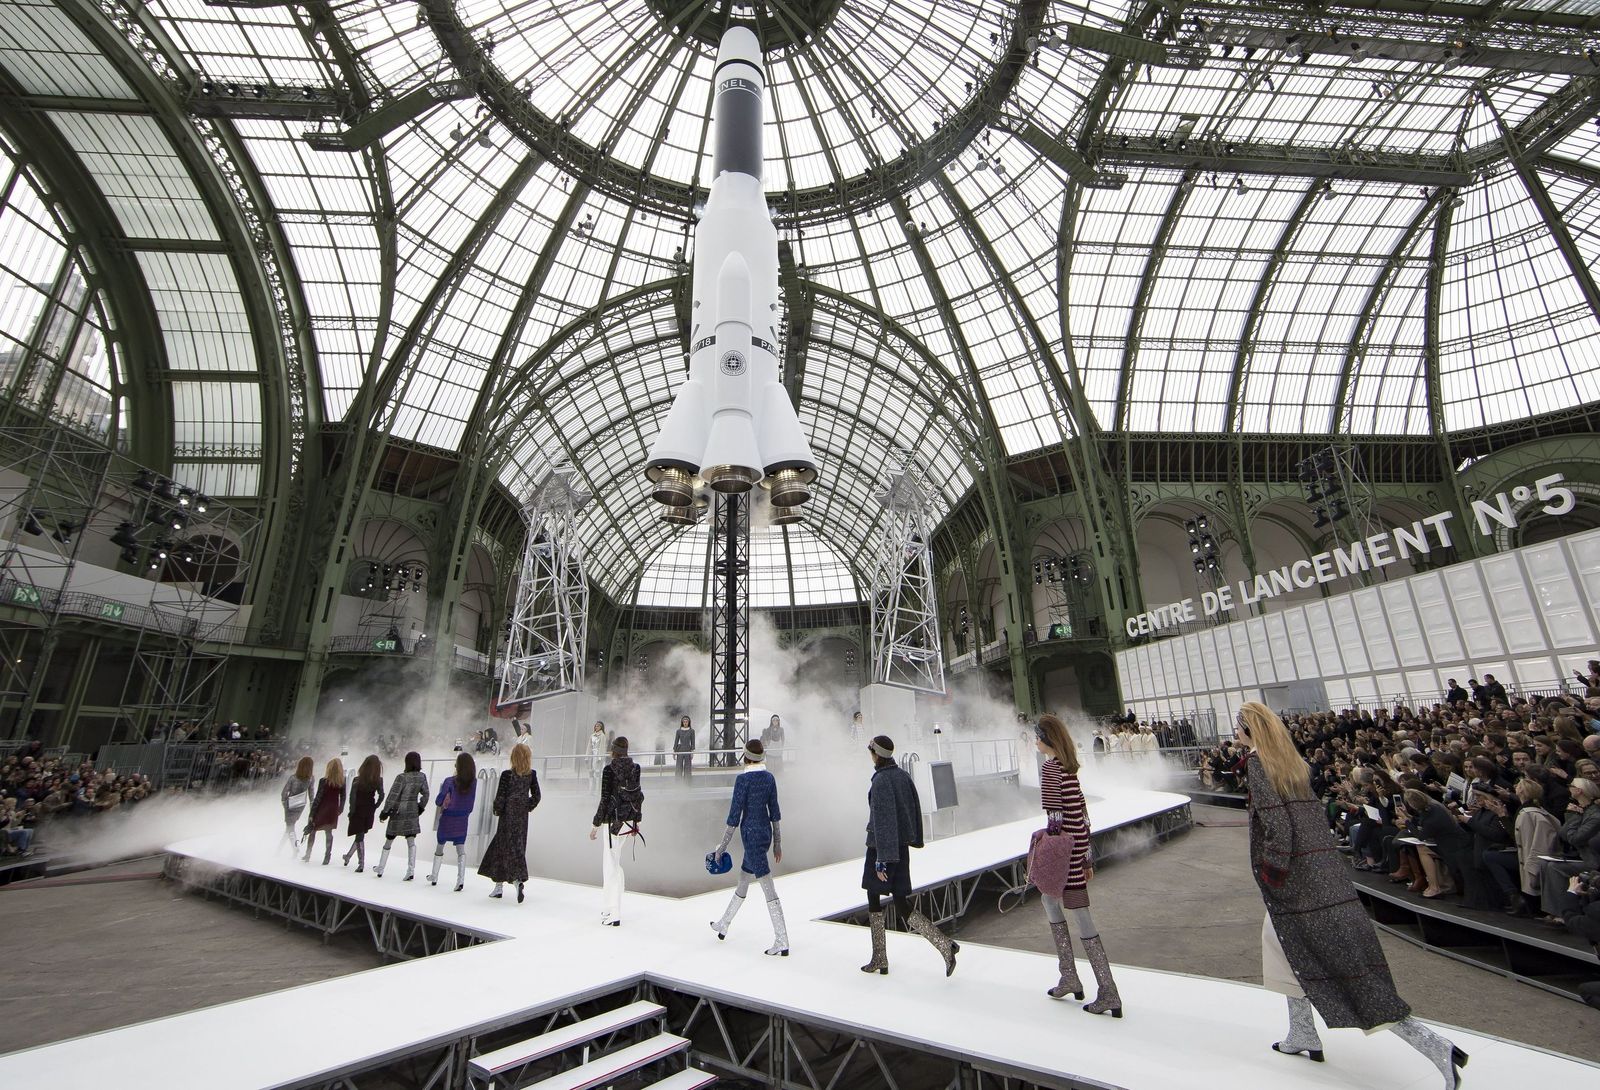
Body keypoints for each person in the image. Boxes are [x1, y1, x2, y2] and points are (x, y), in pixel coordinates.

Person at [1236, 702, 1466, 1089]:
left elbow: (1278, 827)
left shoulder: (1259, 765)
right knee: (1278, 949)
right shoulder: (1291, 763)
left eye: (1238, 727)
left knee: (1347, 971)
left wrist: (1269, 873)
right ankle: (1302, 1032)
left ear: (1248, 730)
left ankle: (1433, 1044)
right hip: (1323, 876)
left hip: (1297, 884)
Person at [1033, 714, 1120, 1016]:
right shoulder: (1069, 770)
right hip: (1077, 851)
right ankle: (1071, 976)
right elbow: (1083, 817)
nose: (1035, 742)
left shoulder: (1049, 770)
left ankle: (1105, 990)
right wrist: (1086, 857)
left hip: (1062, 857)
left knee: (1076, 915)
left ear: (1047, 740)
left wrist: (1049, 854)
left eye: (1037, 736)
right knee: (1057, 905)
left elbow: (1055, 819)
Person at [859, 735, 958, 977]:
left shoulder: (881, 781)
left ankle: (880, 958)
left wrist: (882, 859)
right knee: (902, 903)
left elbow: (883, 822)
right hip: (900, 849)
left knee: (874, 899)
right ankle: (944, 946)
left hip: (882, 850)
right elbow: (913, 808)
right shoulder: (902, 776)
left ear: (876, 754)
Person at [708, 739, 787, 955]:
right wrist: (778, 843)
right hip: (765, 834)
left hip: (750, 836)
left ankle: (782, 940)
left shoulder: (743, 780)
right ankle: (724, 923)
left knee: (767, 886)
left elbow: (734, 816)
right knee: (743, 879)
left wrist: (722, 847)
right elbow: (775, 812)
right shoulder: (769, 778)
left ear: (746, 756)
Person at [589, 736, 643, 926]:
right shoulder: (635, 768)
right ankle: (610, 906)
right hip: (628, 821)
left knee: (610, 865)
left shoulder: (609, 770)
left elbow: (605, 799)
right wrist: (637, 821)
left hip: (612, 822)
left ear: (613, 750)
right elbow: (637, 796)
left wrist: (595, 825)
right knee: (615, 862)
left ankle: (613, 910)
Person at [478, 742, 541, 902]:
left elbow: (500, 796)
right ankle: (517, 881)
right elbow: (537, 796)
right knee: (517, 847)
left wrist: (498, 810)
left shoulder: (507, 775)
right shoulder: (531, 775)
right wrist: (527, 806)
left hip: (507, 814)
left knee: (501, 847)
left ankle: (499, 886)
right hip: (522, 816)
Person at [374, 751, 428, 881]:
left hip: (398, 811)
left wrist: (385, 812)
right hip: (412, 811)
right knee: (411, 840)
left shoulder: (401, 777)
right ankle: (410, 870)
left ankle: (381, 867)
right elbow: (426, 794)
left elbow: (393, 796)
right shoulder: (422, 777)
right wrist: (420, 807)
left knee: (389, 839)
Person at [429, 752, 478, 891]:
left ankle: (434, 876)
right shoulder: (473, 783)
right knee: (461, 849)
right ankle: (460, 880)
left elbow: (439, 800)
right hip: (463, 819)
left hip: (448, 817)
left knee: (440, 846)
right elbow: (471, 804)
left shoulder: (449, 781)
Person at [341, 755, 385, 872]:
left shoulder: (357, 780)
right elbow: (382, 795)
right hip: (369, 809)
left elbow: (352, 798)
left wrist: (351, 811)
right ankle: (348, 856)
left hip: (358, 809)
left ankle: (361, 864)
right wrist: (375, 806)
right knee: (360, 835)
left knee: (359, 836)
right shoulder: (378, 780)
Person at [302, 758, 346, 865]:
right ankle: (327, 857)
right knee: (328, 833)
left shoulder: (324, 781)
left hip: (322, 809)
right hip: (333, 810)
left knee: (313, 831)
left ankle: (308, 854)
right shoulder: (342, 782)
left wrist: (312, 813)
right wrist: (340, 809)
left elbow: (318, 798)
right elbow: (343, 796)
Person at [279, 756, 314, 853]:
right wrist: (312, 809)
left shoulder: (293, 778)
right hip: (301, 805)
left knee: (290, 827)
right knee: (290, 827)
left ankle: (295, 848)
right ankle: (280, 848)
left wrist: (284, 803)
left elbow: (284, 793)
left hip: (290, 804)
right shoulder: (311, 779)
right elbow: (311, 796)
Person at [673, 715, 695, 780]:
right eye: (684, 722)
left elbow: (693, 741)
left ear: (689, 722)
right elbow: (676, 741)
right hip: (680, 750)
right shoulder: (678, 731)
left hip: (688, 749)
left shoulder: (692, 731)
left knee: (687, 767)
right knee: (679, 766)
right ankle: (678, 781)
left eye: (686, 722)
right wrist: (674, 751)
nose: (685, 723)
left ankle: (687, 782)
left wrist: (692, 752)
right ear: (682, 722)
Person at [588, 721, 609, 787]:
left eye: (598, 726)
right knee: (591, 772)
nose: (596, 727)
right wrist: (587, 756)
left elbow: (602, 747)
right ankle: (590, 790)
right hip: (592, 755)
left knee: (597, 772)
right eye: (595, 726)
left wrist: (599, 757)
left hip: (597, 755)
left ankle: (597, 790)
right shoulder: (592, 735)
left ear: (601, 727)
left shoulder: (602, 736)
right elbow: (589, 746)